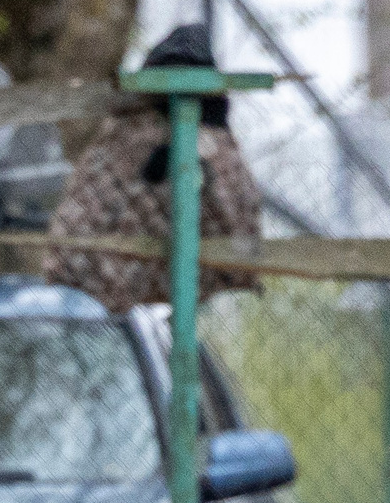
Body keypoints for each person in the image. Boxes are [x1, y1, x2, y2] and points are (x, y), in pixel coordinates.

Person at [45, 25, 264, 311]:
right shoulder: (128, 132)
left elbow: (232, 206)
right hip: (120, 281)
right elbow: (96, 197)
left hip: (171, 274)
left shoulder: (212, 140)